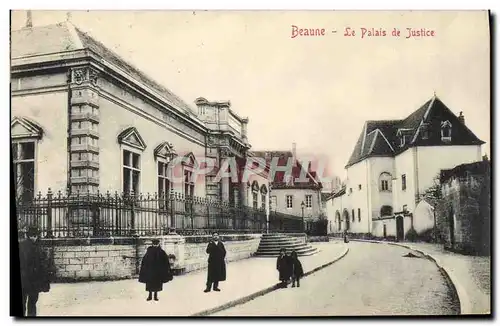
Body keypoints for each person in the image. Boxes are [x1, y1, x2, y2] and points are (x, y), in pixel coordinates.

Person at [19, 226, 52, 316]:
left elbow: (43, 263)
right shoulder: (22, 245)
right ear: (28, 236)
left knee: (33, 302)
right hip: (24, 278)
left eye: (35, 235)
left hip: (35, 279)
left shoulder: (39, 246)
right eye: (31, 236)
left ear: (37, 236)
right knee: (23, 301)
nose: (33, 238)